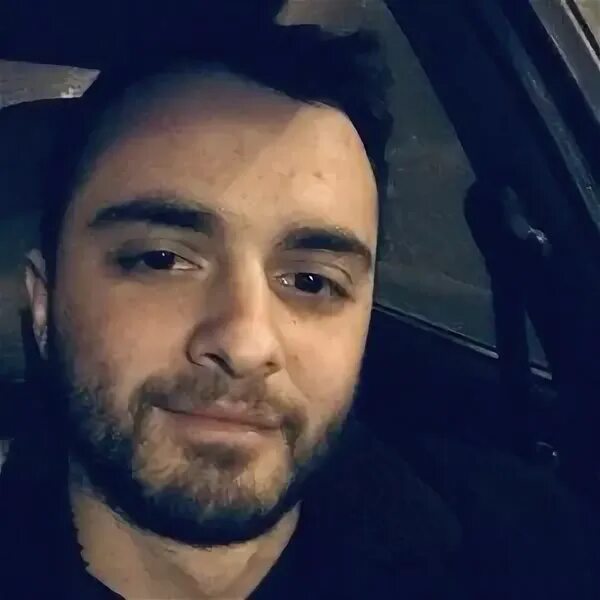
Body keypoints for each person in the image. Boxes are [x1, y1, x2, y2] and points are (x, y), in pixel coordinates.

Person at [0, 23, 597, 600]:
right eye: (162, 260)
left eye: (312, 281)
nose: (245, 343)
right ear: (44, 303)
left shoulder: (533, 547)